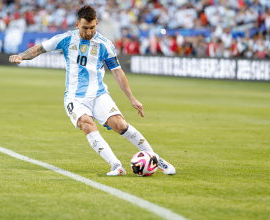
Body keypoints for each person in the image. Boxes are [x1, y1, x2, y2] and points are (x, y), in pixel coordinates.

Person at [9, 5, 176, 176]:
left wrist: (132, 99)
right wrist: (21, 56)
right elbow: (39, 49)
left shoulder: (105, 44)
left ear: (96, 23)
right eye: (84, 28)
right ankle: (116, 165)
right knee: (86, 124)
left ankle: (157, 160)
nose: (88, 32)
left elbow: (117, 72)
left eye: (92, 28)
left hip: (99, 94)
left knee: (119, 125)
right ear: (76, 25)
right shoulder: (66, 39)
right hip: (74, 97)